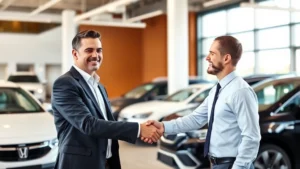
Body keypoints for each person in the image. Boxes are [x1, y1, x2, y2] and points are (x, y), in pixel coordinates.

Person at [143, 36, 261, 169]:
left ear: (226, 58)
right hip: (216, 164)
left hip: (232, 165)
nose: (207, 58)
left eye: (212, 53)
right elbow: (196, 119)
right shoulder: (217, 89)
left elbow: (251, 137)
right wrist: (163, 126)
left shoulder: (241, 91)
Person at [51, 30, 161, 169]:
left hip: (106, 162)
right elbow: (89, 125)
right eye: (89, 50)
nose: (95, 55)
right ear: (75, 54)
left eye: (99, 50)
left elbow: (107, 124)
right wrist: (139, 129)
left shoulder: (99, 86)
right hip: (80, 164)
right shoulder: (65, 84)